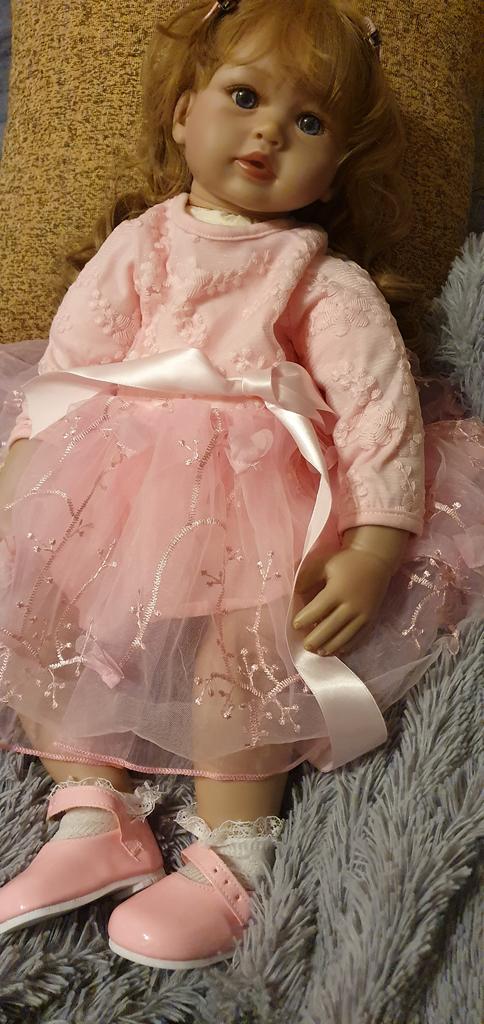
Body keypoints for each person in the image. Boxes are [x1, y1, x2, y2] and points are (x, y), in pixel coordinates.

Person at [0, 0, 482, 971]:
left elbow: (379, 412)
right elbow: (70, 366)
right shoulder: (138, 245)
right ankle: (91, 810)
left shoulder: (320, 279)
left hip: (257, 501)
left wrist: (375, 543)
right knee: (43, 609)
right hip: (111, 477)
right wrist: (24, 483)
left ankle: (234, 847)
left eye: (307, 121)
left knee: (246, 648)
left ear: (334, 167)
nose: (267, 133)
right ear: (185, 114)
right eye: (245, 98)